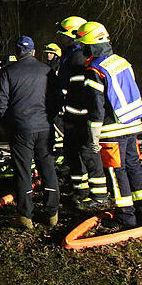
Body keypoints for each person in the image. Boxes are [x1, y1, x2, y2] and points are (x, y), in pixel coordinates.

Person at [76, 22, 142, 229]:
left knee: (116, 172)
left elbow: (96, 106)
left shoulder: (95, 70)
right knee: (134, 168)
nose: (82, 50)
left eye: (83, 45)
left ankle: (125, 217)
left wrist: (93, 135)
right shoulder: (122, 62)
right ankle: (140, 209)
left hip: (113, 130)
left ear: (90, 46)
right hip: (133, 125)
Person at [0, 36, 60, 228]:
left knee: (23, 172)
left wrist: (8, 124)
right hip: (45, 127)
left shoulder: (8, 72)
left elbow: (0, 104)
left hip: (20, 129)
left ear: (16, 52)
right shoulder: (47, 71)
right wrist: (50, 117)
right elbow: (57, 99)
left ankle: (26, 216)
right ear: (33, 50)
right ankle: (52, 213)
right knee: (48, 168)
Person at [55, 15, 106, 204]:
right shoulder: (70, 56)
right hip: (71, 113)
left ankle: (99, 195)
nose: (61, 38)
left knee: (88, 154)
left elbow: (79, 90)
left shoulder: (78, 58)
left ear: (74, 35)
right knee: (71, 152)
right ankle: (81, 190)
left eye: (64, 35)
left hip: (80, 116)